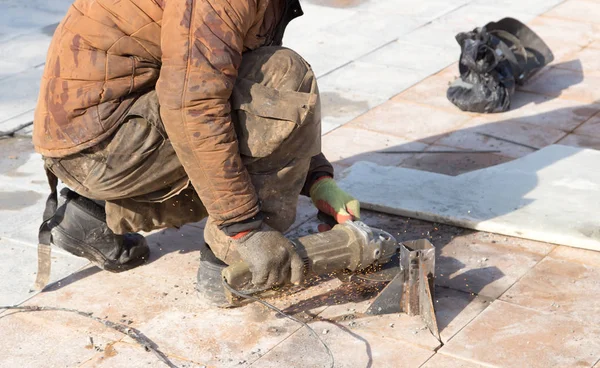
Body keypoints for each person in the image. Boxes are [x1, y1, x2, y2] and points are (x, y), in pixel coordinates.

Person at [33, 0, 360, 303]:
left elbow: (220, 71)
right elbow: (194, 109)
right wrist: (244, 228)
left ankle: (93, 214)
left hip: (89, 139)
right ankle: (232, 264)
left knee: (238, 82)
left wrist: (317, 178)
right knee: (283, 75)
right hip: (105, 147)